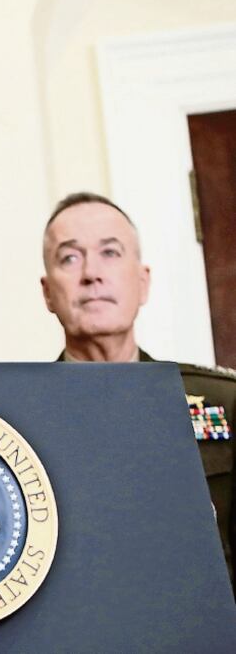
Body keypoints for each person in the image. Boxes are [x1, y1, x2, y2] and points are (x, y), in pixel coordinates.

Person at [41, 191, 235, 590]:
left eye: (110, 253)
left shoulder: (224, 402)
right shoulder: (22, 414)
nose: (92, 274)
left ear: (142, 282)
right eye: (70, 257)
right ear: (48, 292)